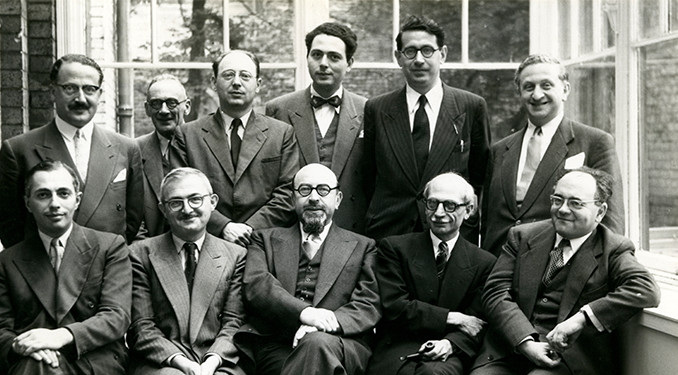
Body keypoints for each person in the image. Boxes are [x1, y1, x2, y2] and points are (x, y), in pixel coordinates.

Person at [462, 167, 660, 375]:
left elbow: (646, 288)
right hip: (512, 348)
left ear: (599, 212)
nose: (563, 209)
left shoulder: (613, 248)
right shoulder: (523, 236)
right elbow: (495, 291)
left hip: (567, 361)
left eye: (576, 203)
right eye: (557, 200)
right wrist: (524, 341)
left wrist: (581, 318)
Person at [0, 160, 132, 375]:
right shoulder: (9, 260)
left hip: (93, 364)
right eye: (43, 194)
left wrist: (57, 337)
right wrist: (20, 345)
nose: (54, 203)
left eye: (63, 193)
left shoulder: (109, 247)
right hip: (33, 362)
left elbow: (116, 317)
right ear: (28, 203)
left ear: (77, 199)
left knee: (35, 372)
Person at [234, 163, 381, 375]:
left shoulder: (363, 246)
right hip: (276, 345)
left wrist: (324, 326)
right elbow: (257, 287)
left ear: (337, 198)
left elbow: (367, 303)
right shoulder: (264, 240)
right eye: (305, 189)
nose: (314, 197)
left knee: (316, 345)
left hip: (343, 344)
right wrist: (306, 314)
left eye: (323, 190)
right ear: (293, 198)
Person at [361, 173, 496, 375]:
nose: (438, 213)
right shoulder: (395, 248)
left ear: (468, 211)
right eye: (432, 204)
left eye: (450, 206)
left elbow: (478, 322)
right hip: (400, 348)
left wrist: (449, 344)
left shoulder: (485, 263)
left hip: (452, 352)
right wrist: (451, 317)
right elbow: (395, 307)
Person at [128, 167, 249, 375]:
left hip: (220, 359)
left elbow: (234, 323)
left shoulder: (235, 255)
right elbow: (142, 327)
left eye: (196, 199)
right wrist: (183, 363)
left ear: (212, 202)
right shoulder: (140, 254)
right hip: (161, 361)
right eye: (175, 202)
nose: (187, 209)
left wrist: (211, 362)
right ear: (162, 209)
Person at [481, 53, 625, 256]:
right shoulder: (499, 150)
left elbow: (611, 219)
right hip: (499, 266)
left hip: (557, 269)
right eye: (529, 87)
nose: (537, 95)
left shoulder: (595, 142)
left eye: (546, 85)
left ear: (565, 90)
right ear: (519, 93)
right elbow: (488, 219)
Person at [0, 54, 143, 248]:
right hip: (44, 269)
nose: (80, 98)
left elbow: (135, 219)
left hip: (107, 270)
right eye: (70, 88)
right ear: (53, 92)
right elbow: (8, 222)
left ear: (99, 94)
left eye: (89, 89)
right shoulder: (18, 150)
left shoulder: (127, 148)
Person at [364, 15, 490, 243]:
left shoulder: (471, 106)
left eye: (427, 51)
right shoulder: (377, 108)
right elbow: (368, 176)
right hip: (390, 236)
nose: (419, 59)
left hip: (451, 238)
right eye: (410, 51)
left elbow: (480, 177)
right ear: (398, 58)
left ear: (442, 54)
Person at [176, 50, 300, 247]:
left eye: (245, 75)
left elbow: (288, 193)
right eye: (228, 75)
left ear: (258, 84)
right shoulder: (187, 135)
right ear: (213, 82)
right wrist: (224, 226)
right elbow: (180, 192)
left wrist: (249, 229)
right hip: (207, 244)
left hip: (265, 245)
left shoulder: (281, 134)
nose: (236, 82)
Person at [265, 22, 369, 234]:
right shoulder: (279, 109)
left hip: (351, 232)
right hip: (291, 231)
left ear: (349, 63)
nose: (323, 63)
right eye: (317, 55)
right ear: (307, 58)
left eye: (334, 57)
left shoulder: (369, 111)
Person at [137, 74, 190, 237]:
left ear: (187, 106)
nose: (164, 110)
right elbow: (130, 211)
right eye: (156, 104)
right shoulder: (134, 150)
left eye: (172, 103)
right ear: (147, 109)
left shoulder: (206, 146)